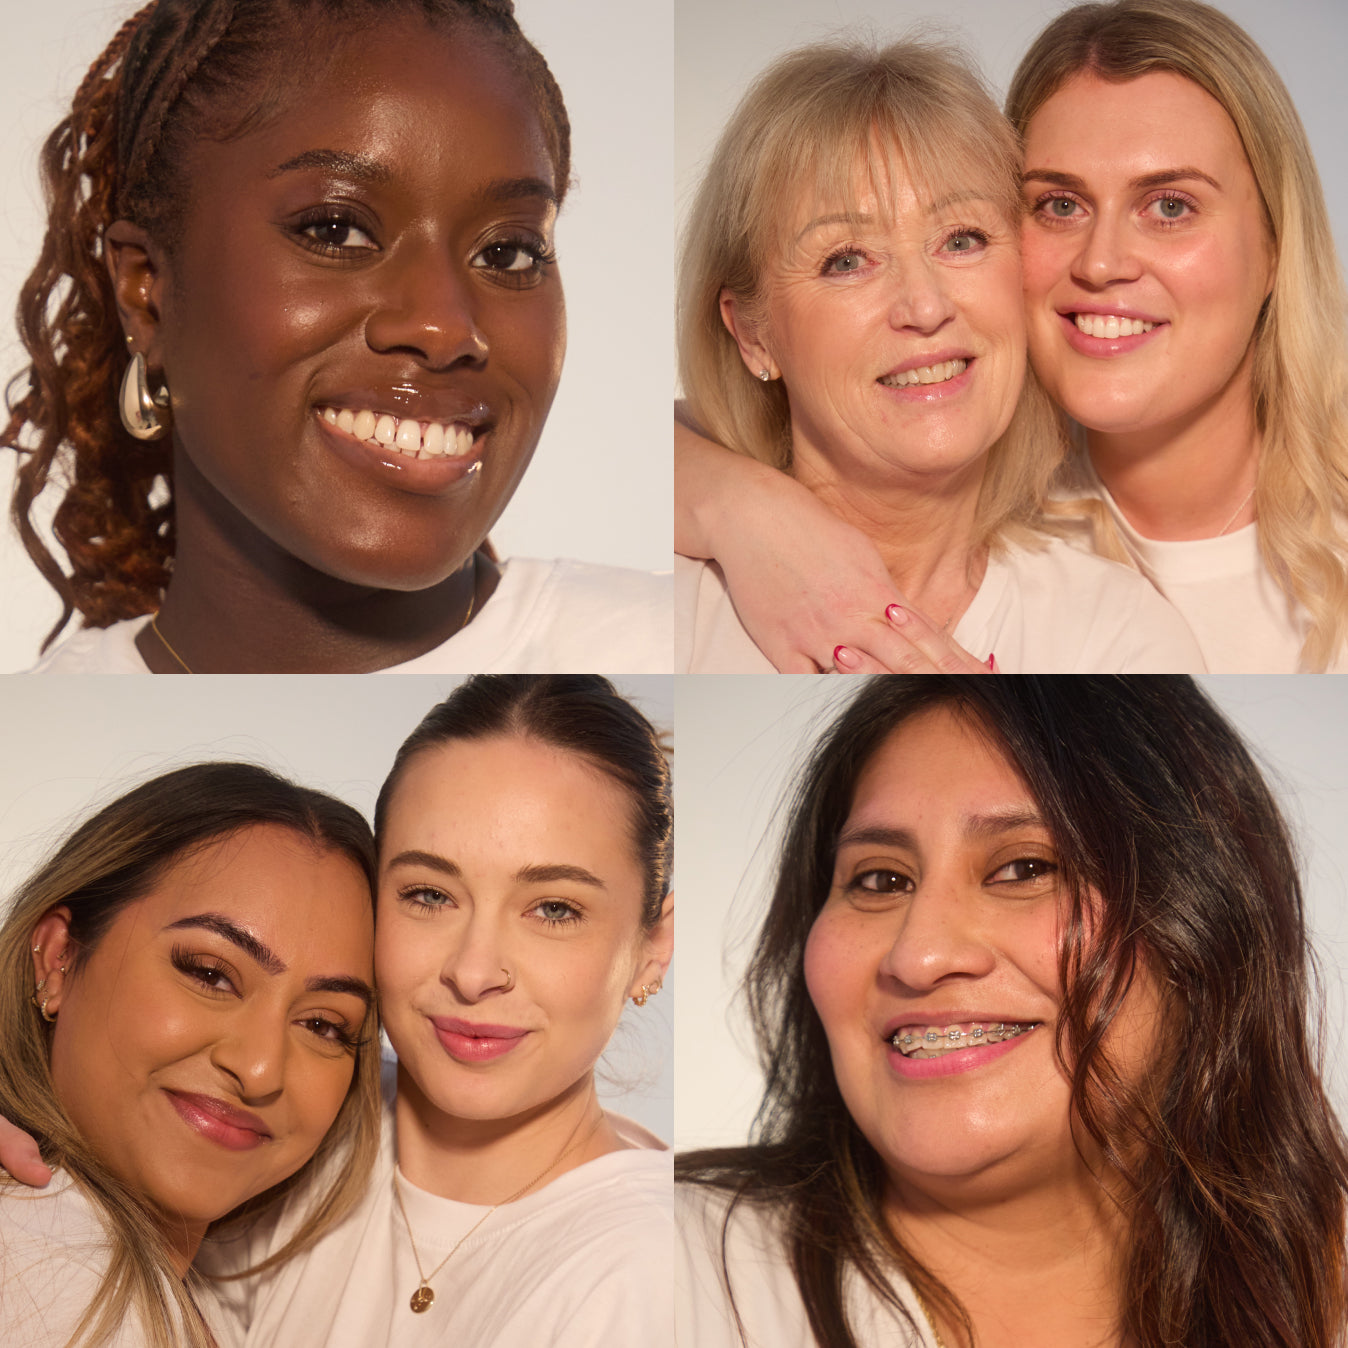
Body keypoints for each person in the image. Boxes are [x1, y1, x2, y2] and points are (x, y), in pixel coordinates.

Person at [675, 0, 1348, 673]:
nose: (1102, 262)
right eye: (1060, 205)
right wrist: (740, 510)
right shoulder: (995, 477)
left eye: (1170, 206)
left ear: (1276, 247)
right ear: (751, 334)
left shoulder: (1115, 624)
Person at [676, 676, 1348, 1348]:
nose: (920, 956)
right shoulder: (666, 1272)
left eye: (1025, 868)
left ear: (1205, 918)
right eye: (880, 880)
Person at [4, 0, 669, 674]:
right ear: (146, 292)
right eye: (335, 230)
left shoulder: (660, 641)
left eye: (508, 253)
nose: (445, 328)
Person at [0, 762, 381, 1348]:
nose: (259, 1069)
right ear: (58, 957)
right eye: (210, 974)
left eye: (324, 1025)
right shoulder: (45, 1272)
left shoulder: (194, 1297)